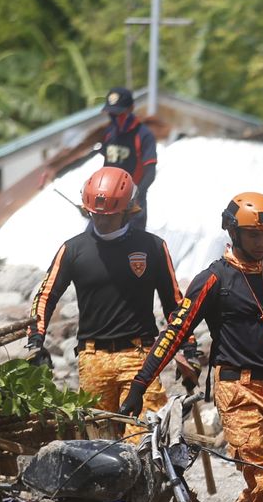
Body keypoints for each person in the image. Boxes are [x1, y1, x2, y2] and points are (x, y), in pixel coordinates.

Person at [121, 192, 263, 502]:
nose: (261, 241)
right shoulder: (213, 279)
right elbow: (173, 334)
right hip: (236, 389)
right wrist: (138, 387)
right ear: (232, 232)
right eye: (253, 234)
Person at [28, 167, 184, 437]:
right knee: (97, 447)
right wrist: (35, 340)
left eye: (108, 216)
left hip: (140, 357)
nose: (100, 221)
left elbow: (176, 305)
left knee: (145, 440)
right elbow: (45, 296)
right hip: (92, 359)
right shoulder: (72, 250)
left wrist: (187, 351)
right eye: (95, 214)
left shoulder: (153, 247)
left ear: (126, 210)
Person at [96, 87, 157, 231]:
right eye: (111, 113)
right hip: (108, 203)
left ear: (131, 109)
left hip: (131, 207)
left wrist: (136, 195)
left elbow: (150, 172)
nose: (114, 117)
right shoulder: (109, 133)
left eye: (118, 114)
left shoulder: (143, 135)